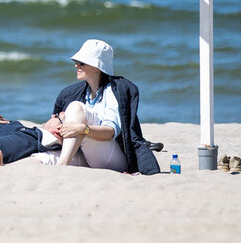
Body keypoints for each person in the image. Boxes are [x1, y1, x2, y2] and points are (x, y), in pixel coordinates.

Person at [42, 39, 160, 175]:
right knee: (42, 158)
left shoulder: (113, 91)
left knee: (75, 107)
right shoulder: (73, 92)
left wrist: (82, 128)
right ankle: (61, 164)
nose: (76, 66)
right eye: (76, 62)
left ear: (97, 66)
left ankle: (62, 166)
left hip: (113, 158)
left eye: (82, 62)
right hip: (85, 154)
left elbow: (110, 132)